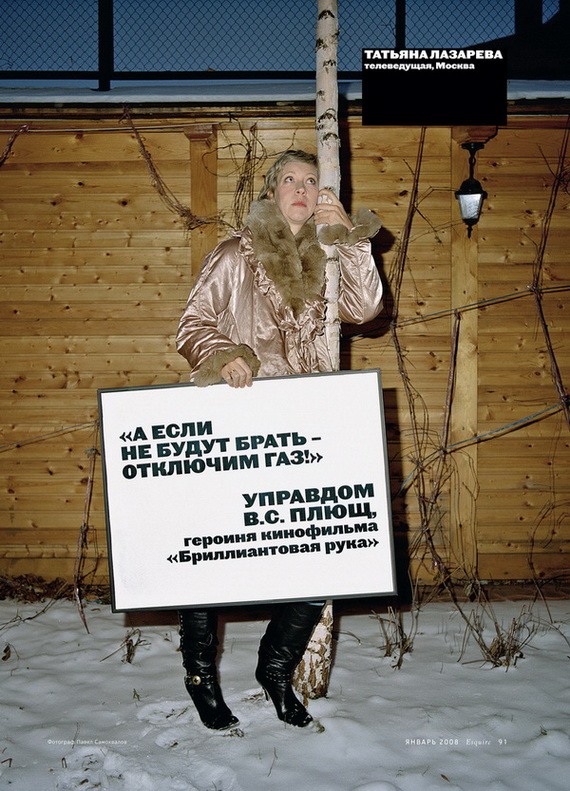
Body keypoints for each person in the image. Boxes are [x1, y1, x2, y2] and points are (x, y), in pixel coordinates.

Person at [175, 149, 383, 730]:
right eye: (289, 179)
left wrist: (348, 240)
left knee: (318, 552)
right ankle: (200, 676)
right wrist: (224, 356)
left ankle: (275, 668)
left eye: (311, 181)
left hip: (307, 426)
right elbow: (192, 323)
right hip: (240, 424)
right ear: (271, 193)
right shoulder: (234, 254)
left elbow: (367, 307)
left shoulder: (328, 258)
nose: (300, 188)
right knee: (211, 554)